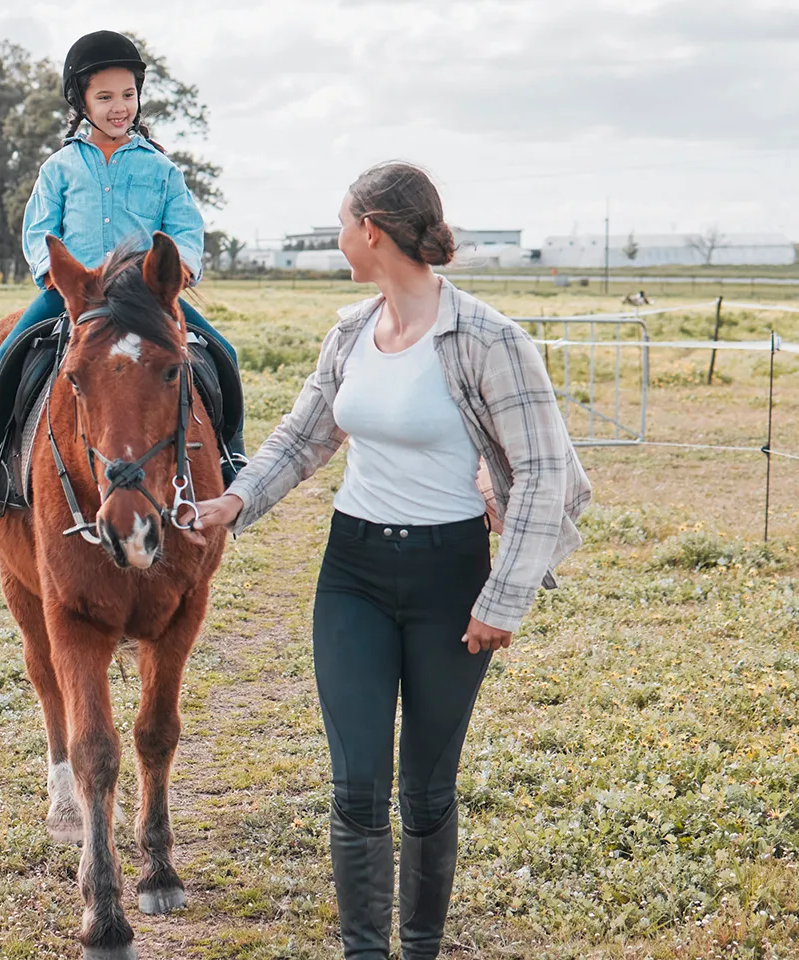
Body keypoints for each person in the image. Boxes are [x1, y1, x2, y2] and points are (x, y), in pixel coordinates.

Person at [193, 163, 592, 958]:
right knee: (356, 785)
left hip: (452, 577)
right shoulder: (349, 331)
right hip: (354, 572)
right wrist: (235, 502)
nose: (338, 236)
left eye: (341, 222)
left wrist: (502, 599)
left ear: (371, 229)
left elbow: (549, 470)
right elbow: (304, 436)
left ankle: (419, 948)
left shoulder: (488, 339)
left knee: (427, 789)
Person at [0, 29, 242, 516]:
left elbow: (186, 229)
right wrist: (52, 275)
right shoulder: (59, 168)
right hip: (79, 294)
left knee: (222, 353)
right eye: (104, 96)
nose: (118, 106)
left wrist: (183, 267)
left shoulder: (163, 170)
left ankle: (230, 455)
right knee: (7, 355)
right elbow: (39, 229)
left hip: (146, 296)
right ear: (81, 101)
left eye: (127, 95)